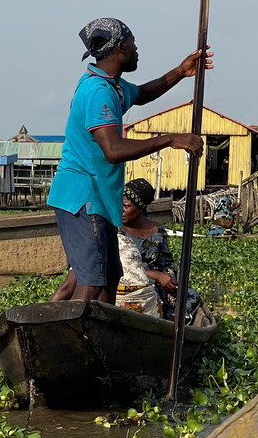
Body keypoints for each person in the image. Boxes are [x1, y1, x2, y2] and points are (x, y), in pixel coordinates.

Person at [47, 17, 210, 305]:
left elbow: (144, 93)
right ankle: (74, 343)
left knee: (110, 278)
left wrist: (182, 72)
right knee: (91, 283)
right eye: (134, 44)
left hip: (100, 201)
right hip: (84, 198)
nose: (138, 50)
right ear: (121, 48)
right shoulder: (98, 92)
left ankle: (103, 339)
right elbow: (113, 149)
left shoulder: (113, 86)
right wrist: (169, 139)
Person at [121, 177, 201, 322]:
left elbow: (167, 263)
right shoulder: (116, 230)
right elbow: (119, 265)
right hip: (128, 281)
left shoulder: (158, 231)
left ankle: (172, 319)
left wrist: (170, 281)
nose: (122, 210)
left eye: (126, 206)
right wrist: (156, 276)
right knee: (148, 292)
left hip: (158, 282)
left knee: (190, 295)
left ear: (139, 208)